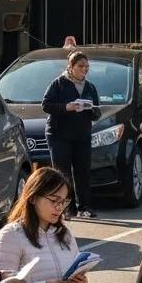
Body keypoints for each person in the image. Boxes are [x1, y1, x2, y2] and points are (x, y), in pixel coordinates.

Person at [42, 50, 102, 219]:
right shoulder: (59, 84)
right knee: (62, 172)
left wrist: (93, 111)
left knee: (83, 171)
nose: (85, 69)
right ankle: (66, 208)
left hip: (82, 135)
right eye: (81, 66)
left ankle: (84, 207)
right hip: (59, 134)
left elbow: (97, 111)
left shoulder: (90, 87)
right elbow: (46, 105)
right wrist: (67, 107)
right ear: (71, 67)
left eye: (87, 66)